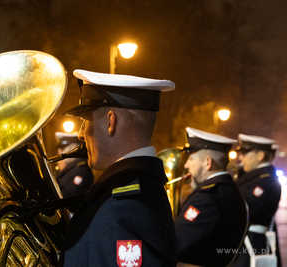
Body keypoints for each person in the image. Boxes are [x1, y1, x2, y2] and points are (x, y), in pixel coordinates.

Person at [59, 69, 177, 266]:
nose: (80, 134)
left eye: (85, 121)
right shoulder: (133, 194)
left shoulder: (124, 206)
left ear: (110, 122)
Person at [175, 127, 247, 266]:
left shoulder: (207, 199)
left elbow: (174, 244)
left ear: (208, 163)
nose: (186, 165)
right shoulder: (225, 189)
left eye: (191, 159)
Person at [233, 134, 282, 266]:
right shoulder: (253, 178)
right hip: (245, 244)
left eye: (245, 153)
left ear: (260, 156)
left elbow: (242, 209)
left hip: (252, 245)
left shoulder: (265, 181)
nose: (240, 158)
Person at [54, 132, 94, 199]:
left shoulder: (82, 170)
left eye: (62, 149)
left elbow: (67, 195)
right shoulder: (69, 169)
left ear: (74, 148)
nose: (59, 152)